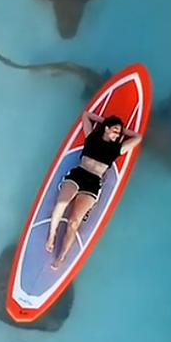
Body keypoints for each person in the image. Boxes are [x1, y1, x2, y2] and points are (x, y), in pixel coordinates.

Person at [44, 112, 142, 268]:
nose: (117, 135)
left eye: (119, 133)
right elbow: (86, 115)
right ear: (106, 129)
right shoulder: (92, 137)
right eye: (115, 130)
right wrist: (105, 122)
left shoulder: (117, 148)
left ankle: (61, 256)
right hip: (79, 174)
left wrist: (122, 131)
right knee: (61, 204)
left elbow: (138, 137)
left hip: (93, 183)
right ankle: (51, 236)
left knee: (74, 222)